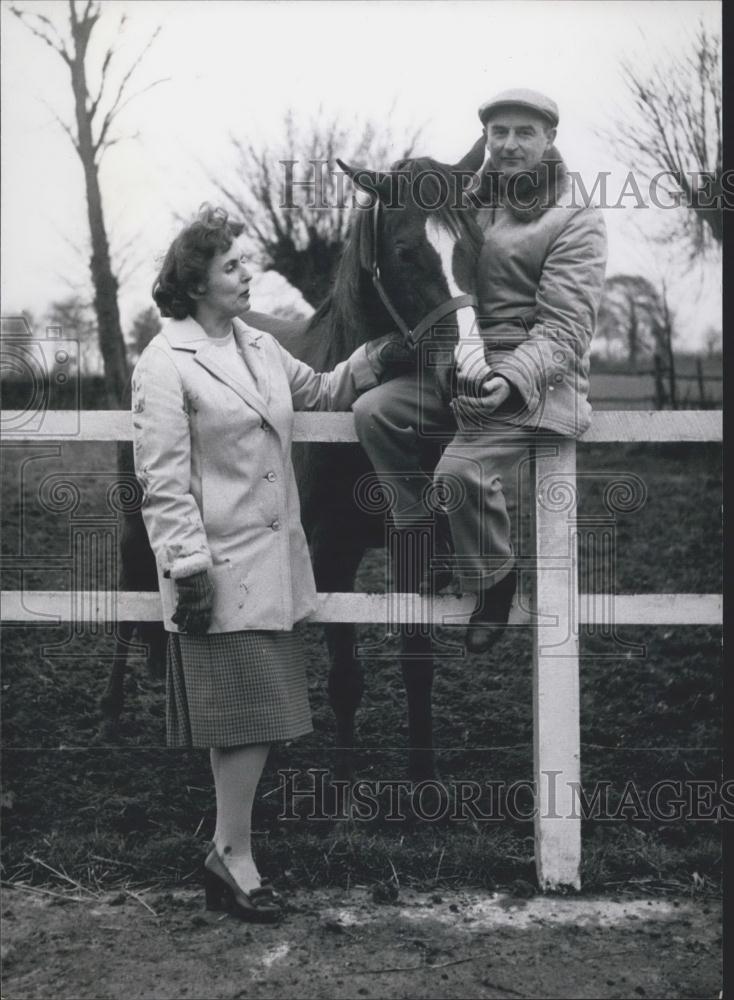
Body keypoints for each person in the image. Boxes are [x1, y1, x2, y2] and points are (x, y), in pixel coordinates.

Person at [132, 205, 403, 922]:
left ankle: (230, 852)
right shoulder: (164, 364)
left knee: (250, 719)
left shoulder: (256, 346)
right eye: (230, 266)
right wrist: (187, 566)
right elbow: (161, 479)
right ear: (194, 285)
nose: (245, 274)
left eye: (241, 262)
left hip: (273, 564)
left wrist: (375, 360)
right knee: (245, 721)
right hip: (216, 569)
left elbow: (318, 392)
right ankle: (234, 857)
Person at [352, 88, 608, 652]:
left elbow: (567, 327)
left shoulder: (576, 215)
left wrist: (512, 378)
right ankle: (421, 535)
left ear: (549, 139)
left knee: (460, 473)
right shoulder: (462, 199)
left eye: (524, 133)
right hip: (462, 369)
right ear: (485, 139)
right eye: (499, 133)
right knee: (373, 412)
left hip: (535, 380)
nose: (510, 144)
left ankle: (495, 582)